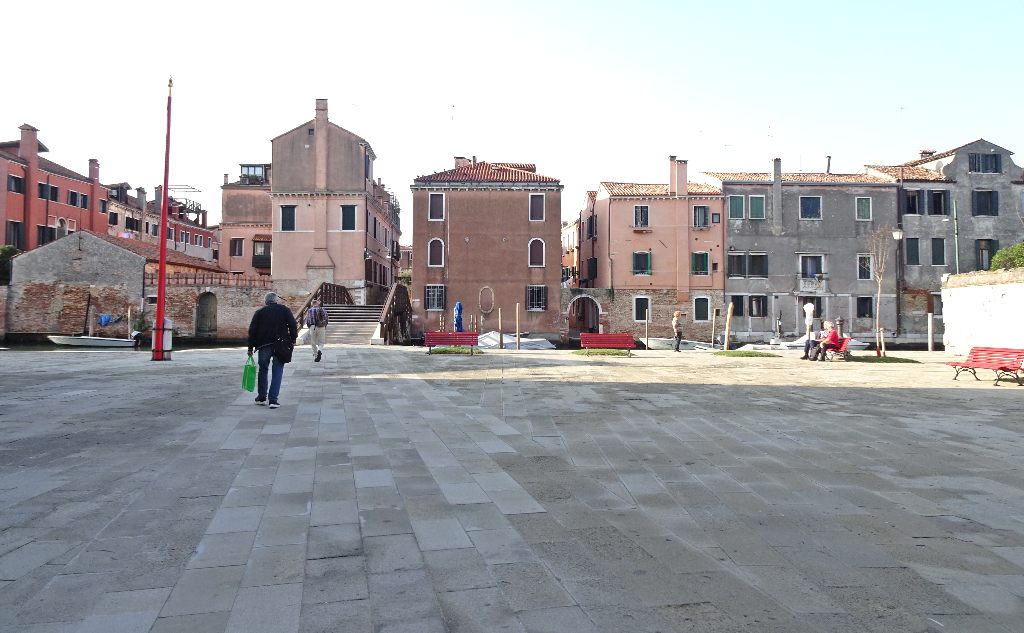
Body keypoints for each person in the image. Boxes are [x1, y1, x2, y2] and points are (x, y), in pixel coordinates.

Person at [247, 292, 297, 409]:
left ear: (266, 301)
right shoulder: (284, 310)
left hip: (264, 345)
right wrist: (293, 339)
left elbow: (252, 331)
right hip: (281, 345)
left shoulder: (259, 312)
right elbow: (293, 324)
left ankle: (262, 397)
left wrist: (250, 347)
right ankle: (273, 400)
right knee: (277, 370)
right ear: (276, 301)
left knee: (263, 370)